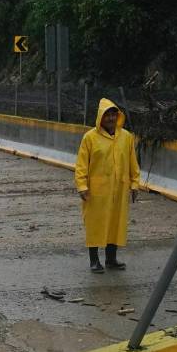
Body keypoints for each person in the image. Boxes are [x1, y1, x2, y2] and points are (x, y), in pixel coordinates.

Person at [74, 98, 140, 274]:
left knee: (115, 224)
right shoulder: (90, 138)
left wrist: (134, 184)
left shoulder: (126, 137)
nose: (110, 118)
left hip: (119, 189)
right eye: (107, 115)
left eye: (113, 114)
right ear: (100, 117)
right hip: (96, 191)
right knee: (95, 224)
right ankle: (94, 260)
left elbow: (133, 162)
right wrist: (82, 186)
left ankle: (111, 259)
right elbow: (81, 165)